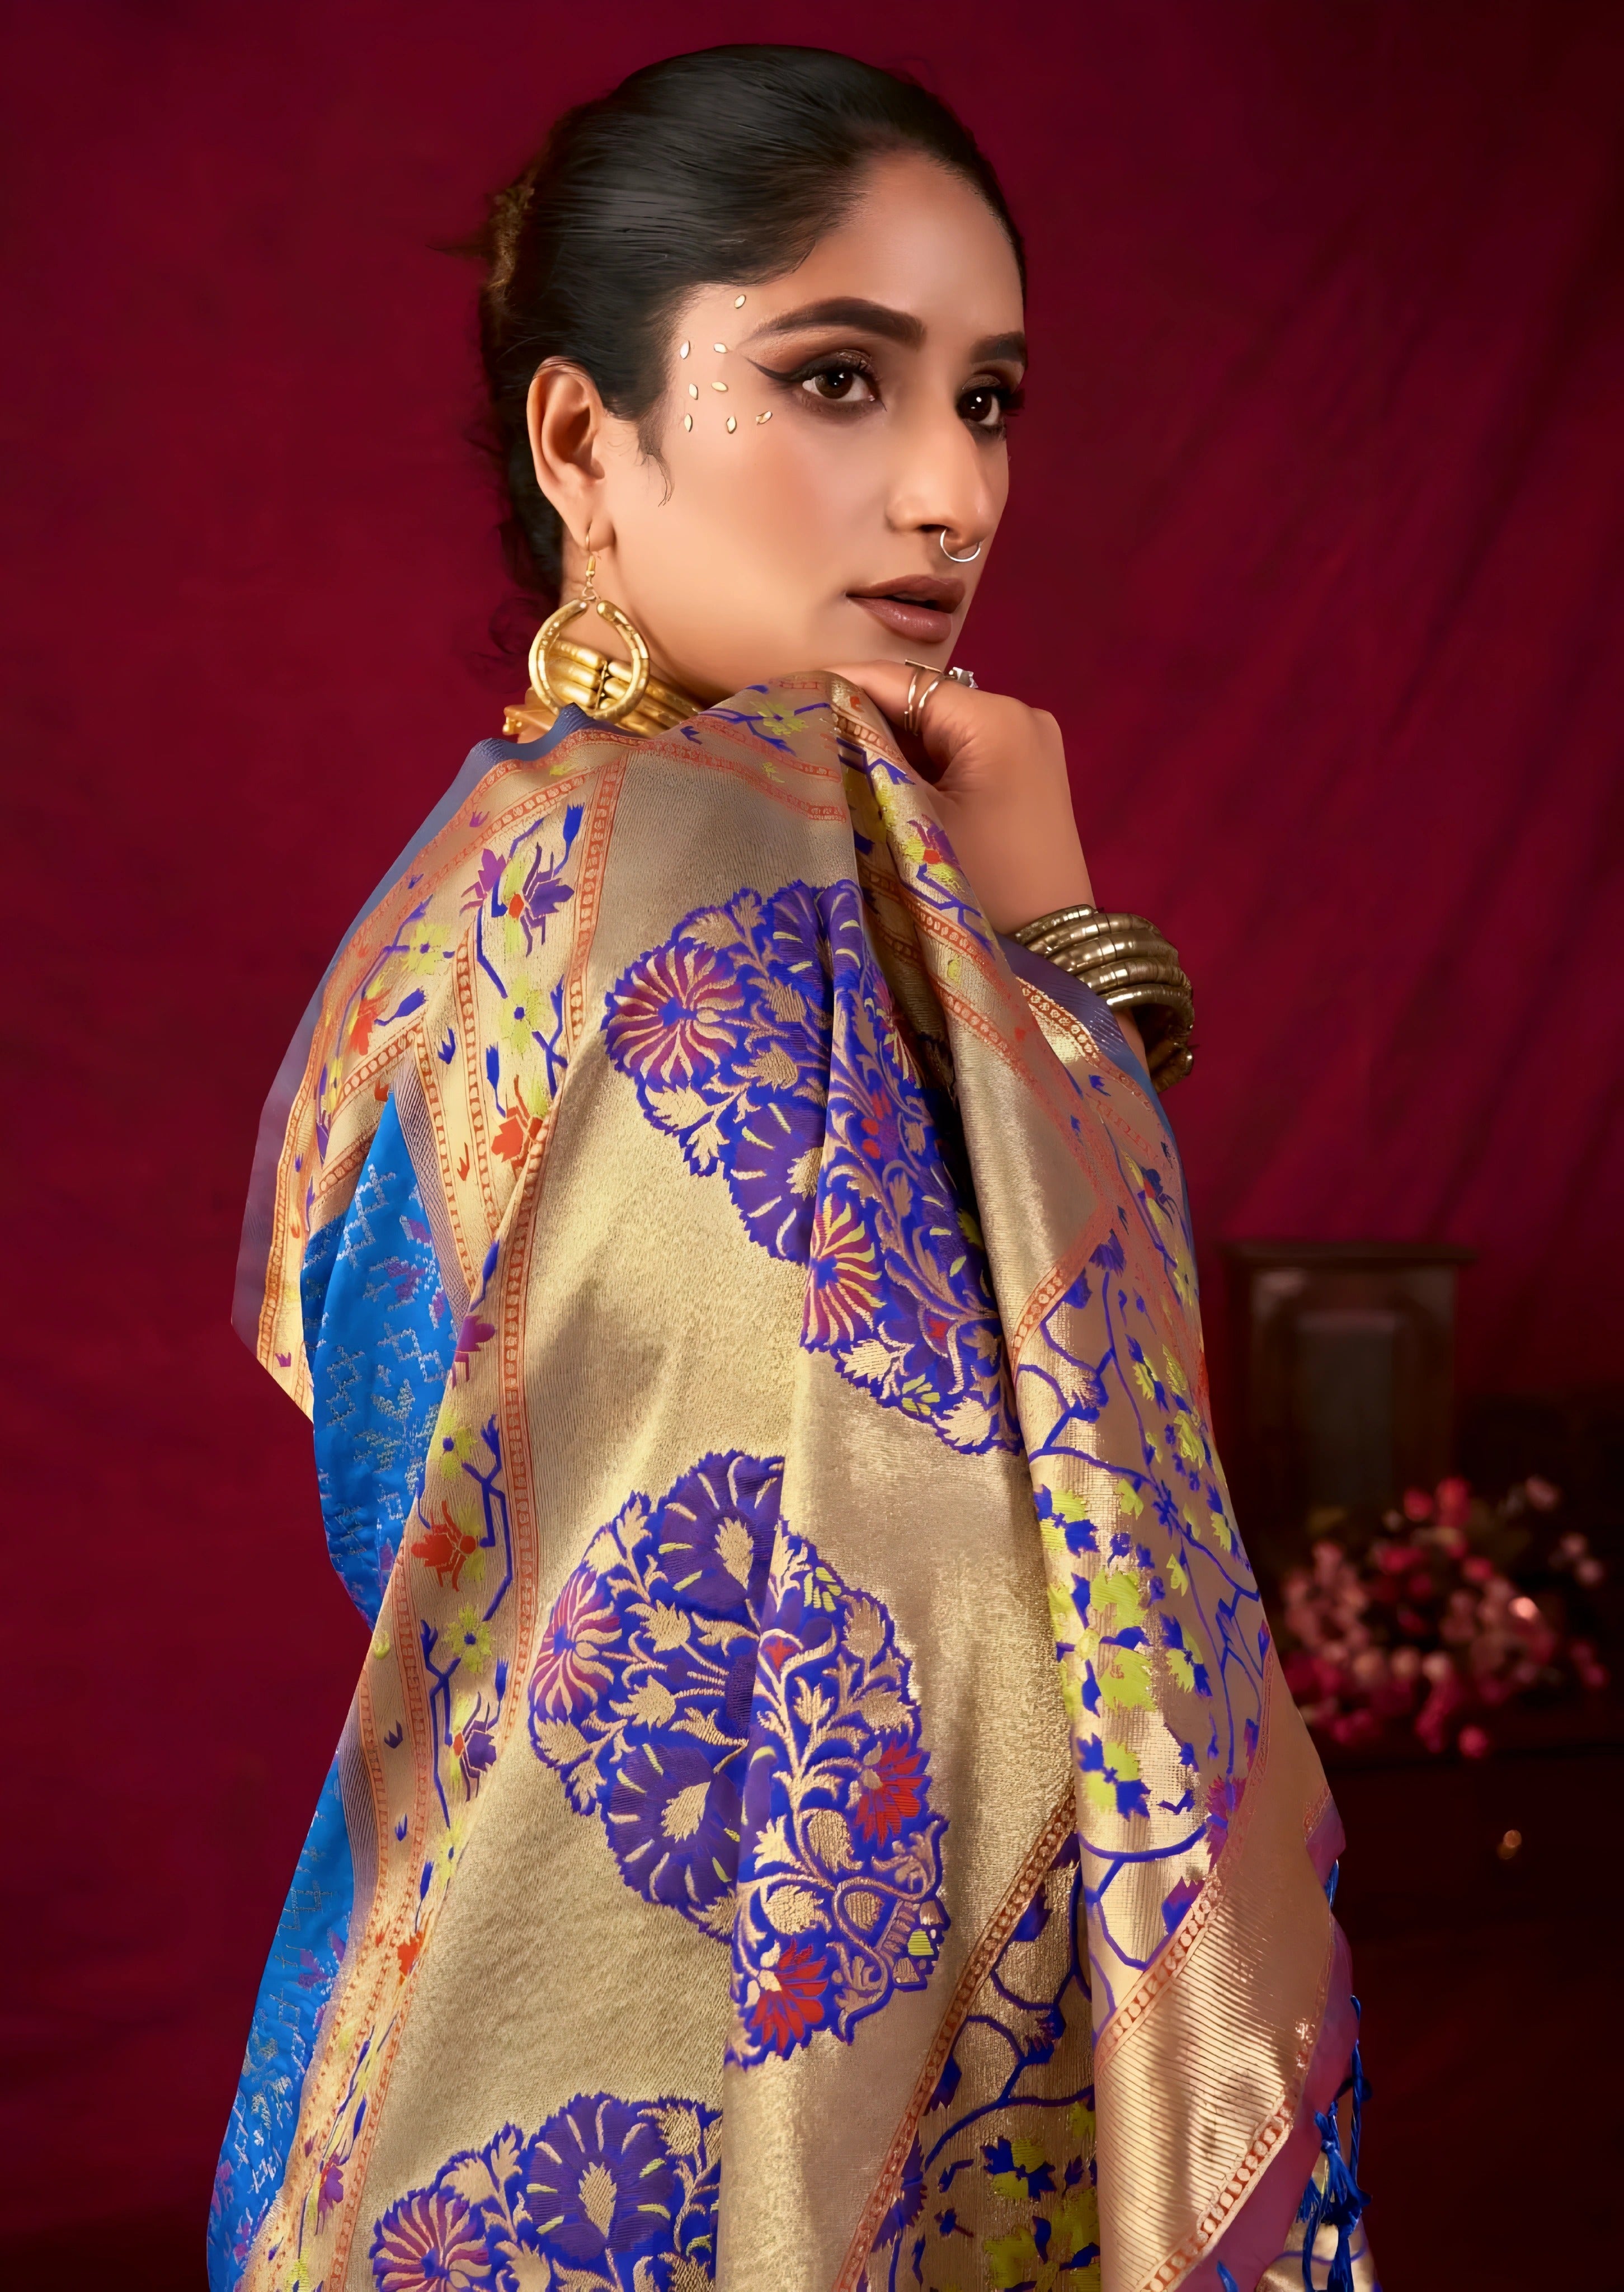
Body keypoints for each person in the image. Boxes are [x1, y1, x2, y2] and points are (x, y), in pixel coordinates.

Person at [214, 45, 1373, 2292]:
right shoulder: (717, 884)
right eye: (839, 379)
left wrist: (1027, 962)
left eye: (995, 400)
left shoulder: (487, 878)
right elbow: (1021, 1541)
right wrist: (1072, 953)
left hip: (444, 2089)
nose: (949, 492)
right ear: (586, 439)